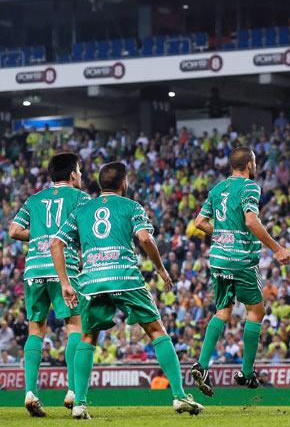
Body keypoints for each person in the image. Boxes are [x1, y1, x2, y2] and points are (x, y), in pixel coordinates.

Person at [51, 162, 203, 419]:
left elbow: (56, 243)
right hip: (125, 278)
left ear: (100, 184)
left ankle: (80, 403)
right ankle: (179, 396)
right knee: (156, 331)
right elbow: (145, 238)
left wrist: (65, 282)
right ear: (124, 183)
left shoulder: (82, 210)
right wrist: (161, 269)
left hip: (92, 281)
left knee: (88, 337)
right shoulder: (132, 207)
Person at [190, 147, 290, 396]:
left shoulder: (217, 189)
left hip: (218, 259)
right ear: (249, 164)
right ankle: (247, 373)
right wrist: (277, 249)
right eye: (255, 162)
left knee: (223, 311)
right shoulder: (249, 187)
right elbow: (250, 221)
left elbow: (199, 223)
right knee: (256, 311)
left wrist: (223, 234)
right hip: (241, 259)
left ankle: (202, 366)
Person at [8, 153, 90, 417]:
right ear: (72, 175)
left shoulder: (34, 199)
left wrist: (40, 235)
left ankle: (30, 392)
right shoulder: (80, 198)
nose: (81, 175)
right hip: (63, 268)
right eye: (79, 170)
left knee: (36, 330)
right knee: (74, 326)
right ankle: (73, 390)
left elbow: (13, 231)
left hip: (34, 269)